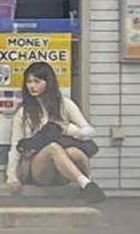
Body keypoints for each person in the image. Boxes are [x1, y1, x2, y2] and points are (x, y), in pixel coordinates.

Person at [6, 60, 104, 201]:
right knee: (53, 147)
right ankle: (87, 185)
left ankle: (86, 184)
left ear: (48, 82)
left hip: (61, 170)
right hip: (36, 169)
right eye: (29, 81)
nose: (32, 86)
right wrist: (12, 177)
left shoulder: (65, 104)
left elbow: (89, 131)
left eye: (37, 81)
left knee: (74, 152)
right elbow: (14, 146)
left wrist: (68, 129)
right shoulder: (24, 112)